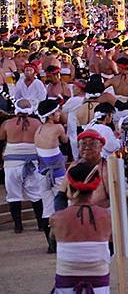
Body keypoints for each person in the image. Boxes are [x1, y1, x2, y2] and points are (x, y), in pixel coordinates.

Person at [50, 162, 112, 294]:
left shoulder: (57, 219)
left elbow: (54, 242)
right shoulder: (107, 217)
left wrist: (62, 191)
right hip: (99, 286)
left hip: (66, 285)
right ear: (95, 187)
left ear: (69, 186)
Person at [1, 99, 44, 234]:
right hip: (32, 161)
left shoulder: (7, 124)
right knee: (36, 194)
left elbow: (1, 139)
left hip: (12, 164)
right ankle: (41, 224)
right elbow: (43, 141)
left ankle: (18, 225)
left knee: (13, 195)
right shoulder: (37, 123)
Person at [35, 98, 68, 252]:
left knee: (47, 208)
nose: (59, 113)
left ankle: (51, 245)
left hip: (42, 172)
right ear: (50, 115)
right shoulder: (58, 128)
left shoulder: (38, 129)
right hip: (57, 173)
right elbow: (65, 141)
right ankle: (62, 241)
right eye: (57, 111)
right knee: (62, 205)